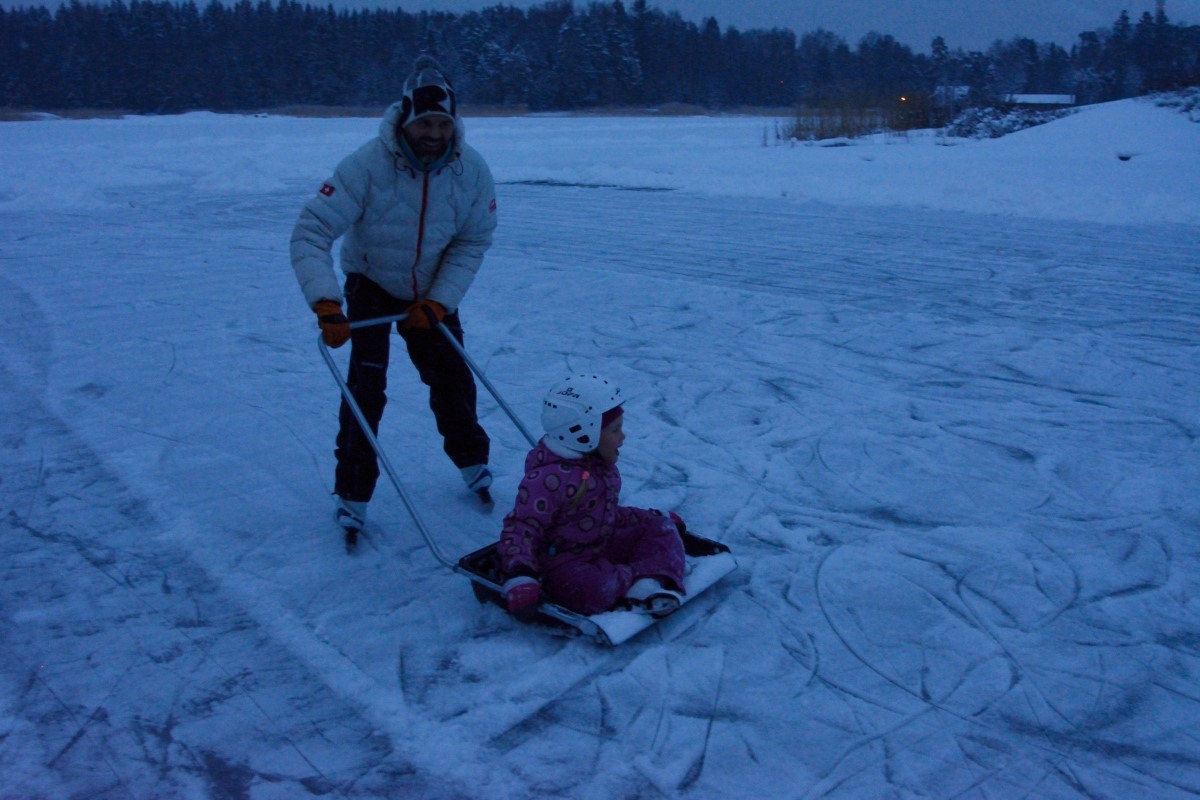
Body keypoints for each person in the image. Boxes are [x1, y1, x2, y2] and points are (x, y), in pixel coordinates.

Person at [290, 55, 498, 538]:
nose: (433, 133)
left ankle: (474, 465)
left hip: (431, 294)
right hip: (372, 284)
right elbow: (311, 230)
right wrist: (325, 302)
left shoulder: (472, 171)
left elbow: (472, 240)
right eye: (424, 121)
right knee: (366, 392)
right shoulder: (366, 165)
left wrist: (439, 302)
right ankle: (353, 495)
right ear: (406, 117)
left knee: (453, 382)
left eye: (443, 123)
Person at [498, 374, 688, 619]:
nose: (623, 437)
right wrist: (520, 573)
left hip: (600, 542)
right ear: (582, 434)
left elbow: (605, 514)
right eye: (615, 430)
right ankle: (637, 579)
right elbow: (522, 527)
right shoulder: (546, 480)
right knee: (588, 588)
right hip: (564, 562)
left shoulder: (599, 467)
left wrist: (650, 518)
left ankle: (645, 583)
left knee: (660, 527)